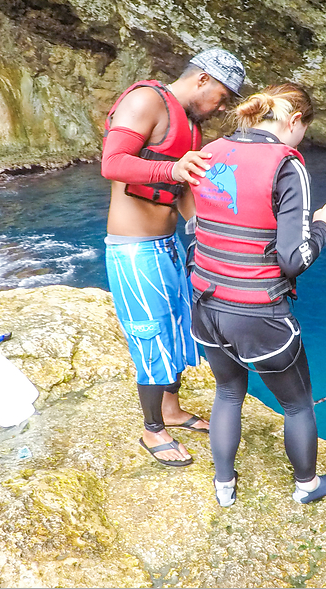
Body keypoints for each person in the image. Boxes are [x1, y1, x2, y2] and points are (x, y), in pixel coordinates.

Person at [187, 83, 326, 505]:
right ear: (294, 121)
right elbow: (294, 259)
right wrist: (323, 227)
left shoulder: (212, 150)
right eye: (303, 130)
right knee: (297, 405)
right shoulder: (287, 166)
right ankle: (307, 486)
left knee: (227, 392)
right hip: (257, 312)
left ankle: (224, 486)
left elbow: (195, 225)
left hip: (205, 301)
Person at [101, 48, 245, 467]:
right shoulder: (146, 100)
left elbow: (181, 191)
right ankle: (152, 430)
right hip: (132, 250)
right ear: (202, 79)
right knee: (152, 337)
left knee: (178, 329)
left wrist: (207, 234)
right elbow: (113, 163)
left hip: (166, 245)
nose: (222, 106)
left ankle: (170, 409)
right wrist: (172, 170)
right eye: (221, 95)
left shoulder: (191, 129)